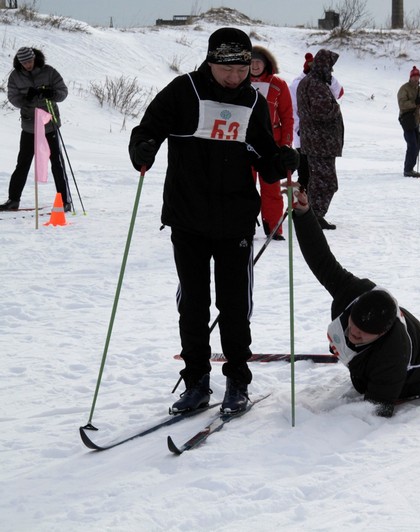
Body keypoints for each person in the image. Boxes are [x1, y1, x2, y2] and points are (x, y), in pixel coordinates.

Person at [128, 28, 299, 415]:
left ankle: (237, 381)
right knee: (193, 305)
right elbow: (148, 129)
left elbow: (265, 159)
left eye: (241, 70)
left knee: (235, 305)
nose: (235, 77)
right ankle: (197, 384)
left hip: (236, 220)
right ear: (210, 61)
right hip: (187, 217)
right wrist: (142, 147)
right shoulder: (183, 90)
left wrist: (282, 161)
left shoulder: (253, 102)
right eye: (227, 69)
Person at [290, 186, 420, 417]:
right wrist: (303, 214)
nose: (353, 334)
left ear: (381, 334)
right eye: (352, 326)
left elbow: (376, 409)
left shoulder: (392, 354)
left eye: (362, 334)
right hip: (401, 330)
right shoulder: (352, 292)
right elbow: (320, 258)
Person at [1, 47, 71, 212]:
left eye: (30, 61)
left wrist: (51, 93)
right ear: (19, 62)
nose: (27, 65)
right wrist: (27, 98)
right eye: (24, 62)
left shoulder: (49, 72)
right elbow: (13, 98)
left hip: (49, 125)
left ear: (35, 59)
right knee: (23, 163)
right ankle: (13, 200)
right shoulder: (15, 76)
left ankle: (64, 201)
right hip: (30, 126)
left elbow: (63, 92)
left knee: (56, 163)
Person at [296, 49, 344, 230]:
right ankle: (314, 216)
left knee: (317, 180)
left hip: (315, 142)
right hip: (321, 143)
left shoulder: (308, 82)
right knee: (326, 182)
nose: (331, 72)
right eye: (330, 68)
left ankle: (312, 214)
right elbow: (322, 112)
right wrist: (336, 108)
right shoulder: (315, 84)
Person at [250, 45, 294, 241]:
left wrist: (286, 144)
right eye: (251, 62)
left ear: (266, 63)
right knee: (244, 189)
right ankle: (244, 226)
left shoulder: (278, 85)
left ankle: (274, 226)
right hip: (246, 146)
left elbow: (287, 116)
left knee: (272, 189)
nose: (255, 65)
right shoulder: (240, 83)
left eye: (258, 62)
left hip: (272, 146)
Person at [290, 52, 344, 190]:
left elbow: (340, 93)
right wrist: (298, 129)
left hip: (322, 139)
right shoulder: (297, 85)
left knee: (319, 179)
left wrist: (330, 79)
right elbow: (293, 110)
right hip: (304, 137)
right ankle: (300, 209)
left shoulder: (323, 82)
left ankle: (308, 208)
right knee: (306, 177)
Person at [397, 65, 420, 178]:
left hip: (417, 120)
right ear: (410, 77)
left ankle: (410, 168)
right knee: (412, 144)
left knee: (417, 145)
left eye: (417, 76)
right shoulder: (404, 89)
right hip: (407, 119)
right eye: (414, 76)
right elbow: (402, 104)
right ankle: (408, 169)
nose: (416, 79)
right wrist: (415, 102)